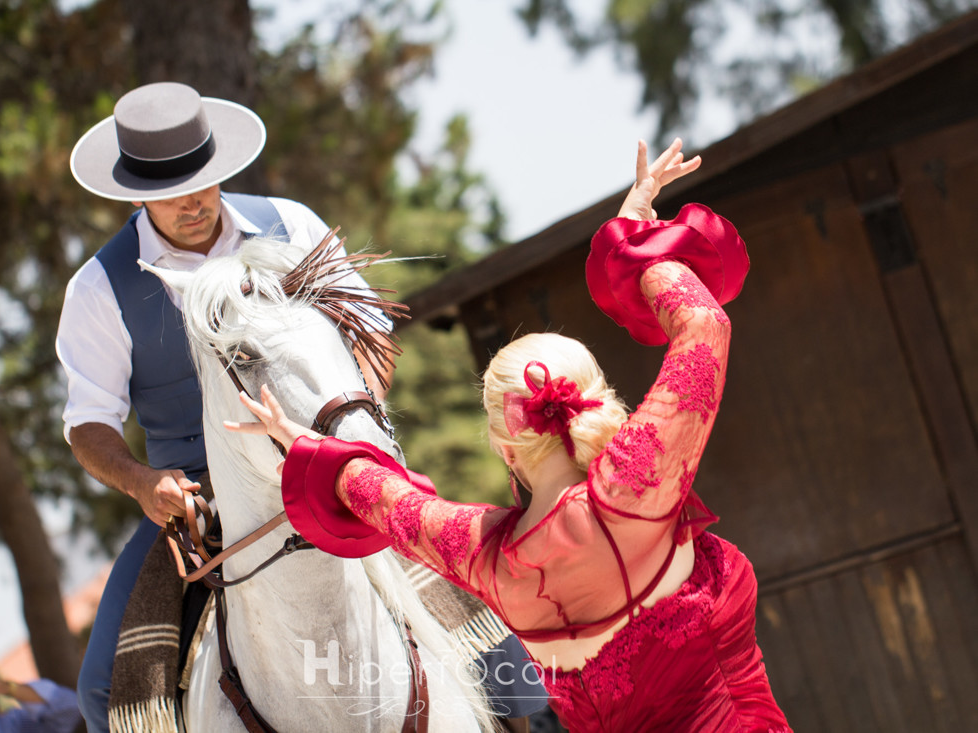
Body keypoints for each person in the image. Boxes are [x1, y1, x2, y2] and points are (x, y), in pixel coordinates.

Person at [231, 138, 792, 731]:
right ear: (594, 396)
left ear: (504, 448)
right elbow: (704, 324)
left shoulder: (488, 558)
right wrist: (634, 242)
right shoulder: (636, 481)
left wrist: (301, 442)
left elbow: (385, 499)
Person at [58, 81, 543, 731]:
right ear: (135, 194)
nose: (194, 201)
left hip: (332, 460)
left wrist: (349, 432)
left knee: (497, 632)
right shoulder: (99, 287)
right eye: (171, 191)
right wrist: (144, 482)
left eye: (203, 179)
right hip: (196, 499)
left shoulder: (291, 226)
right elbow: (89, 424)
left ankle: (533, 719)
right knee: (100, 692)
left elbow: (372, 339)